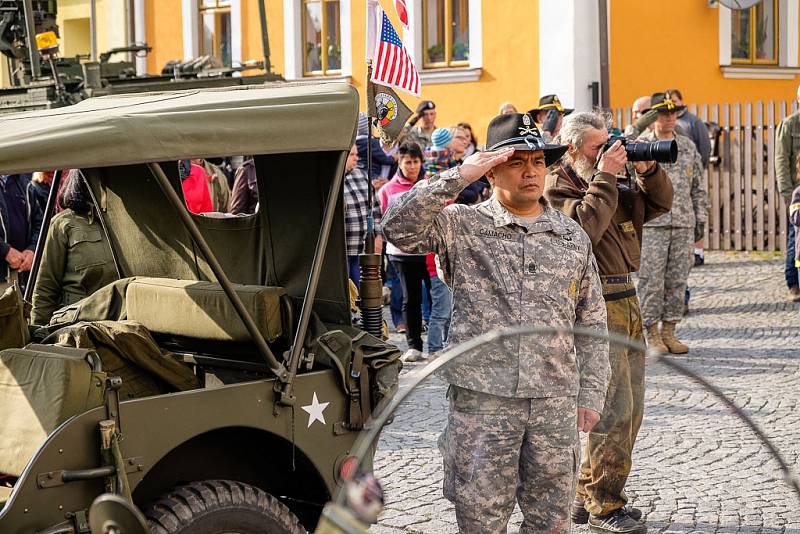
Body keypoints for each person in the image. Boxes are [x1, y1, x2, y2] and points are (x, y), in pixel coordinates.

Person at [383, 113, 610, 532]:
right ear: (491, 170)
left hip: (553, 403)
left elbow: (592, 322)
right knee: (481, 519)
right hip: (483, 402)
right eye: (516, 162)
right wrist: (458, 175)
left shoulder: (570, 236)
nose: (530, 172)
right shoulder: (462, 226)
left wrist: (592, 393)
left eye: (538, 162)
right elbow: (397, 227)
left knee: (551, 522)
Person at [545, 111, 673, 534]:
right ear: (573, 148)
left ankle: (587, 493)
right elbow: (580, 232)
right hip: (594, 304)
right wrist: (605, 176)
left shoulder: (608, 180)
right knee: (613, 410)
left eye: (609, 144)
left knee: (631, 409)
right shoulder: (557, 184)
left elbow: (660, 203)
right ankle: (604, 504)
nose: (609, 152)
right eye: (598, 147)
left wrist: (646, 168)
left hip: (626, 296)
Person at [637, 92, 707, 354]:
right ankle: (651, 332)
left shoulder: (687, 146)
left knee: (678, 279)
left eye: (673, 112)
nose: (669, 117)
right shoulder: (642, 144)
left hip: (683, 222)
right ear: (653, 116)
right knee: (651, 280)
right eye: (663, 113)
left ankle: (670, 330)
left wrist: (700, 218)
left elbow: (698, 187)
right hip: (653, 224)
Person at [31, 170, 118, 325]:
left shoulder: (124, 223)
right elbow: (45, 289)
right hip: (76, 327)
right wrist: (38, 334)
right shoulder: (63, 224)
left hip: (118, 324)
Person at [379, 142, 431, 362]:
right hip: (402, 254)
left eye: (416, 161)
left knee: (436, 296)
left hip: (429, 252)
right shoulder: (388, 191)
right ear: (400, 163)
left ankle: (441, 342)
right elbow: (383, 221)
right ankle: (414, 345)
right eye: (407, 162)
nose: (412, 166)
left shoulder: (429, 186)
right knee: (411, 299)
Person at [775, 84, 800, 301]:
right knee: (795, 235)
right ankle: (793, 282)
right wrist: (786, 192)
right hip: (796, 191)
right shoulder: (789, 125)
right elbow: (781, 160)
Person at [343, 144, 382, 286]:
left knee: (364, 293)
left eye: (356, 154)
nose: (356, 158)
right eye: (352, 155)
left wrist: (379, 236)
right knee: (347, 295)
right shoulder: (332, 180)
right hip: (343, 251)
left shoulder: (361, 175)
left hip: (364, 248)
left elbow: (376, 208)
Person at [0, 173, 43, 291]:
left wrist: (32, 249)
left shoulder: (24, 182)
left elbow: (39, 221)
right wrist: (5, 250)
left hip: (21, 274)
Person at [666, 89, 711, 169]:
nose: (672, 105)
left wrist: (698, 168)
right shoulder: (663, 122)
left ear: (681, 101)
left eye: (674, 101)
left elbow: (705, 148)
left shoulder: (694, 122)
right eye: (668, 102)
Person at [355, 112, 396, 180]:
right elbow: (384, 159)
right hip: (372, 174)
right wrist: (393, 158)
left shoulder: (355, 143)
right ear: (370, 128)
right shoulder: (372, 142)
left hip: (360, 172)